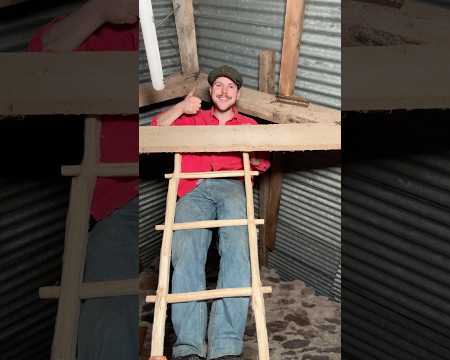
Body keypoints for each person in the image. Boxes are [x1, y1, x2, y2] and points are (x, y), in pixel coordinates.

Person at [28, 1, 139, 360]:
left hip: (174, 187)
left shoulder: (182, 21)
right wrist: (100, 10)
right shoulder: (106, 25)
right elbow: (36, 66)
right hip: (122, 197)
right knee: (104, 307)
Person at [152, 65, 270, 360]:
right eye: (218, 85)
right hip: (193, 188)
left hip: (231, 184)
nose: (224, 91)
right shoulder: (192, 119)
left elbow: (262, 162)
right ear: (210, 91)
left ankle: (226, 346)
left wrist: (253, 150)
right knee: (186, 254)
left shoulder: (249, 124)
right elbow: (156, 131)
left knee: (238, 253)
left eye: (230, 87)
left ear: (237, 94)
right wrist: (180, 106)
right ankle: (189, 347)